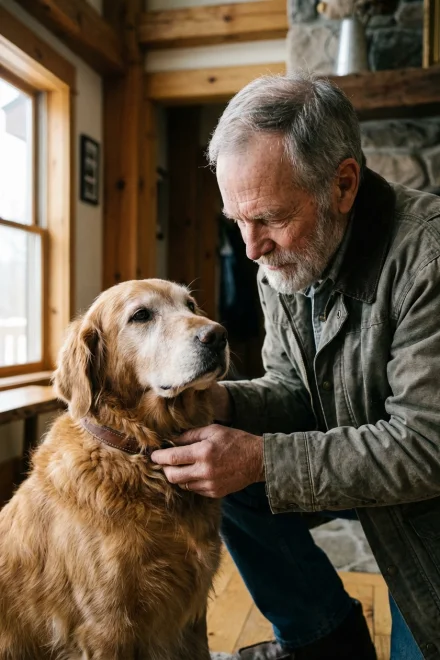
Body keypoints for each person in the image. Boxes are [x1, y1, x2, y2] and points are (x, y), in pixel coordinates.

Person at [151, 72, 440, 660]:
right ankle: (322, 643)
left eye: (270, 219)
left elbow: (424, 447)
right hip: (375, 464)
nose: (252, 248)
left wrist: (260, 459)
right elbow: (295, 391)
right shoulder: (282, 261)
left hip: (432, 513)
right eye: (237, 219)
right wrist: (222, 404)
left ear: (344, 184)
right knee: (225, 481)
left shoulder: (429, 259)